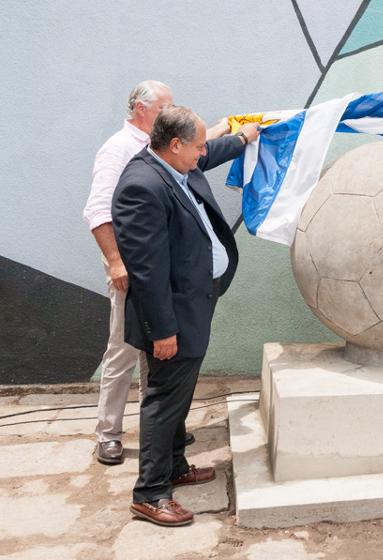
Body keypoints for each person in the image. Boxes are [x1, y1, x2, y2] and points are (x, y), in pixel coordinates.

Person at [112, 106, 259, 526]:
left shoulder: (175, 164)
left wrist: (246, 138)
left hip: (195, 304)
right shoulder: (141, 186)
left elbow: (211, 152)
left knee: (180, 394)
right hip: (170, 316)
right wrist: (163, 331)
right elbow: (148, 272)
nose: (203, 154)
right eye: (196, 147)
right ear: (174, 145)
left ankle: (175, 466)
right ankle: (151, 493)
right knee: (163, 401)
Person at [84, 81, 230, 465]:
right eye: (167, 105)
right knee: (125, 348)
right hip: (133, 267)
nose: (171, 110)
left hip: (156, 268)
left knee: (160, 360)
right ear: (141, 109)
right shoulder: (120, 150)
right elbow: (98, 211)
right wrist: (116, 263)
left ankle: (164, 429)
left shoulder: (168, 150)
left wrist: (236, 132)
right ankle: (109, 433)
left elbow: (204, 149)